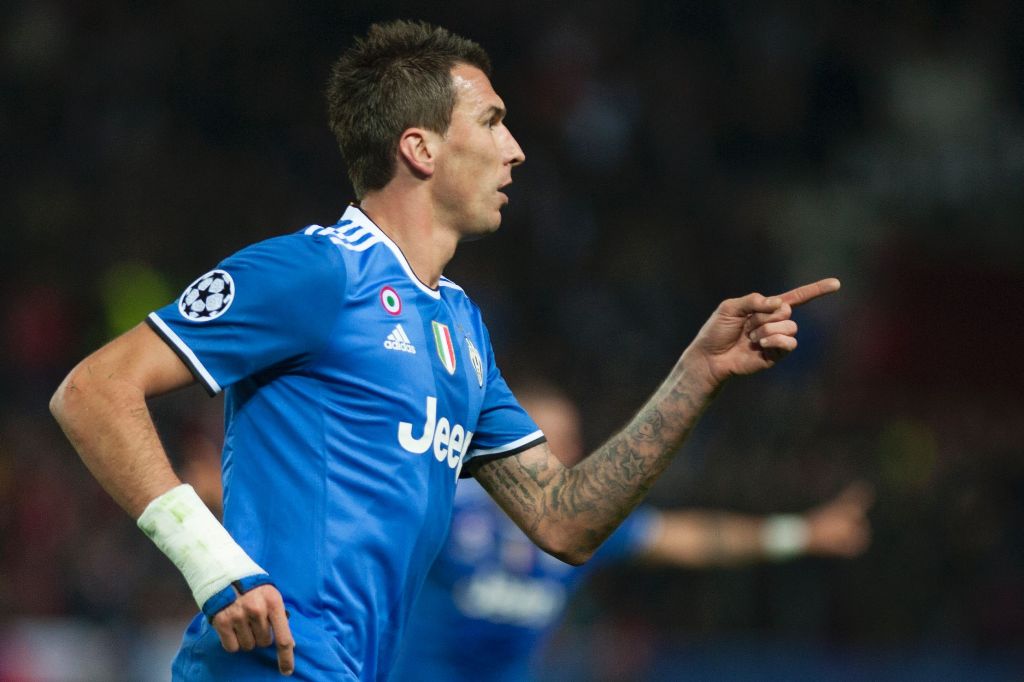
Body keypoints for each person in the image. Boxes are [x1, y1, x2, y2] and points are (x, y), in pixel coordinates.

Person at [49, 20, 841, 681]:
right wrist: (214, 569)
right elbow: (92, 390)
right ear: (421, 149)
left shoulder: (460, 327)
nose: (518, 150)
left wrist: (697, 372)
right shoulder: (315, 272)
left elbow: (565, 522)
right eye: (494, 122)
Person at [392, 382, 873, 681]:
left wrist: (803, 534)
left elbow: (690, 539)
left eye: (570, 439)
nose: (563, 452)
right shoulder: (444, 508)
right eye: (542, 438)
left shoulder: (576, 530)